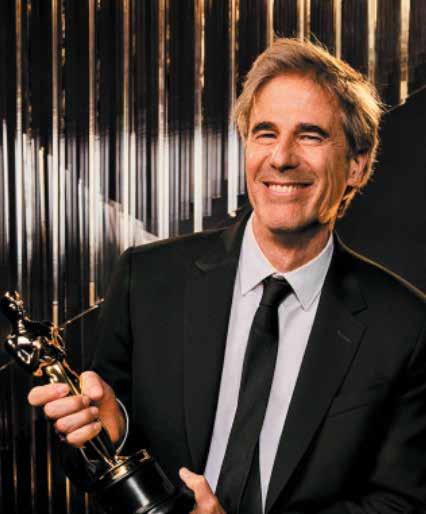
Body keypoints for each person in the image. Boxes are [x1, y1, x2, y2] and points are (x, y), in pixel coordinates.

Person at [28, 38, 426, 514]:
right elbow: (90, 464)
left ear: (357, 166)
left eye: (311, 136)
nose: (281, 158)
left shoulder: (406, 325)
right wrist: (107, 433)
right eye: (265, 133)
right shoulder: (145, 280)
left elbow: (403, 502)